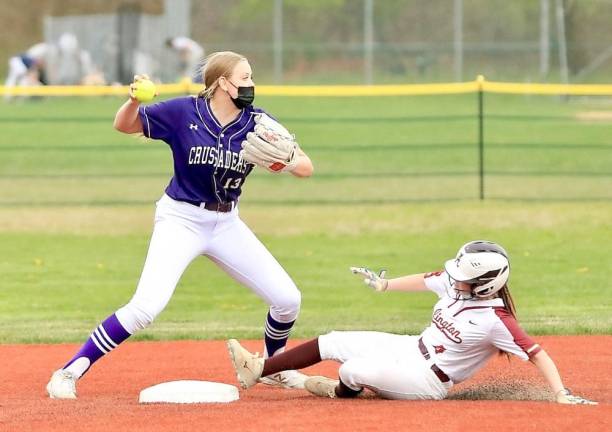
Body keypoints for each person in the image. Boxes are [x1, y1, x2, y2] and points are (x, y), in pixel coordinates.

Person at [46, 51, 314, 399]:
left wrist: (290, 159)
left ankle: (271, 367)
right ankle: (68, 371)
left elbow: (307, 167)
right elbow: (125, 124)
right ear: (222, 83)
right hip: (181, 219)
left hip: (226, 222)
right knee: (146, 307)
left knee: (287, 299)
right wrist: (131, 101)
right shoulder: (183, 112)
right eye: (244, 77)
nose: (251, 84)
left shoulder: (259, 123)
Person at [227, 240, 597, 404]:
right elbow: (425, 278)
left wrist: (561, 395)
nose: (456, 278)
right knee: (333, 341)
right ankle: (258, 369)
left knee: (353, 370)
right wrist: (385, 284)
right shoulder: (457, 284)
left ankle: (334, 391)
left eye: (465, 276)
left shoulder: (496, 319)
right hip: (408, 347)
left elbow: (538, 354)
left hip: (426, 381)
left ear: (486, 284)